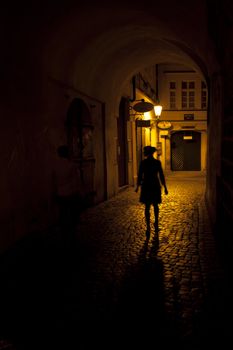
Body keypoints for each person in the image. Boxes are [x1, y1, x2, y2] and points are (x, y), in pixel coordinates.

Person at [135, 145, 168, 238]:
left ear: (147, 153)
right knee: (155, 205)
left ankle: (148, 226)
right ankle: (156, 222)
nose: (144, 153)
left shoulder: (143, 163)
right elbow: (161, 175)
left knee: (147, 206)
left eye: (144, 152)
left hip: (146, 185)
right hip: (155, 184)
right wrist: (165, 187)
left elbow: (140, 175)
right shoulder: (157, 162)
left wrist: (137, 186)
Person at [52, 145, 81, 250]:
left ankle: (63, 231)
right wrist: (78, 192)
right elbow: (76, 181)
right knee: (72, 213)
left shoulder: (55, 166)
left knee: (62, 212)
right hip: (70, 193)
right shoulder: (71, 165)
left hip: (60, 193)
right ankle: (72, 232)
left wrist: (54, 192)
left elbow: (53, 181)